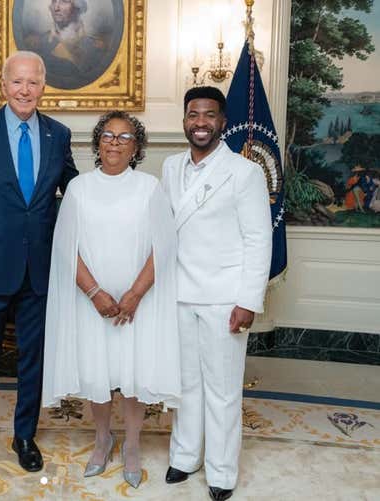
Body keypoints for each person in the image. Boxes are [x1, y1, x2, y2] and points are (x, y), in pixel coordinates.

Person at [0, 51, 78, 478]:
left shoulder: (58, 135)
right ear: (3, 85)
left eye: (34, 82)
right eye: (17, 82)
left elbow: (75, 194)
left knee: (32, 360)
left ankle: (25, 435)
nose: (25, 90)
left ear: (44, 87)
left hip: (39, 270)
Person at [42, 111, 180, 489]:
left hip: (139, 304)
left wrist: (135, 295)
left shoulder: (150, 187)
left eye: (124, 137)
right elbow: (65, 249)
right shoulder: (79, 189)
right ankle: (103, 438)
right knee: (97, 373)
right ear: (97, 142)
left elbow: (163, 247)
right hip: (93, 304)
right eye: (108, 135)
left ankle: (132, 444)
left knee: (133, 373)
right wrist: (95, 294)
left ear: (137, 147)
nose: (115, 142)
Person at [161, 86, 272, 501]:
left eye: (209, 115)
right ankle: (185, 456)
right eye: (193, 114)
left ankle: (221, 471)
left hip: (225, 297)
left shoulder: (245, 172)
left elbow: (259, 239)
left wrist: (248, 300)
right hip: (179, 293)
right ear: (185, 120)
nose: (201, 122)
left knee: (223, 389)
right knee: (185, 383)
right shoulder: (170, 167)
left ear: (223, 122)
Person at [23, 0, 107, 89]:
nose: (56, 8)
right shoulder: (37, 45)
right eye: (54, 1)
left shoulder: (96, 47)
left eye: (64, 1)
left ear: (77, 8)